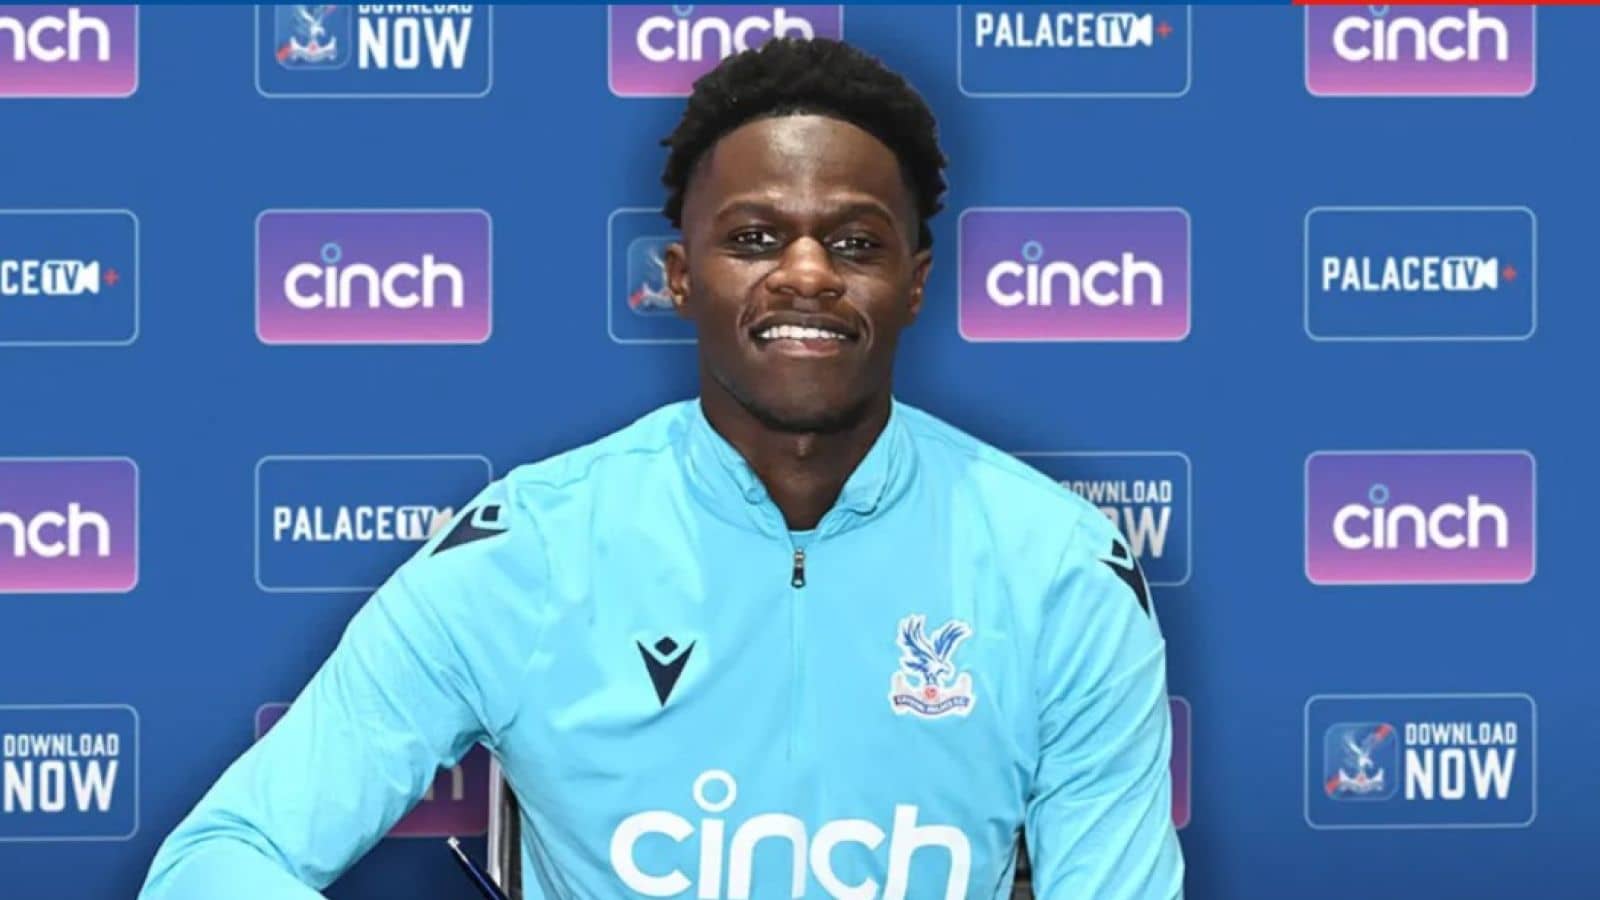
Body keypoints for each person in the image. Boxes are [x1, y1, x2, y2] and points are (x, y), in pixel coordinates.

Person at [140, 37, 1184, 899]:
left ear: (915, 284)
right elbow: (222, 859)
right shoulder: (533, 547)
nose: (806, 274)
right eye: (756, 237)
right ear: (681, 278)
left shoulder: (1056, 566)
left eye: (856, 244)